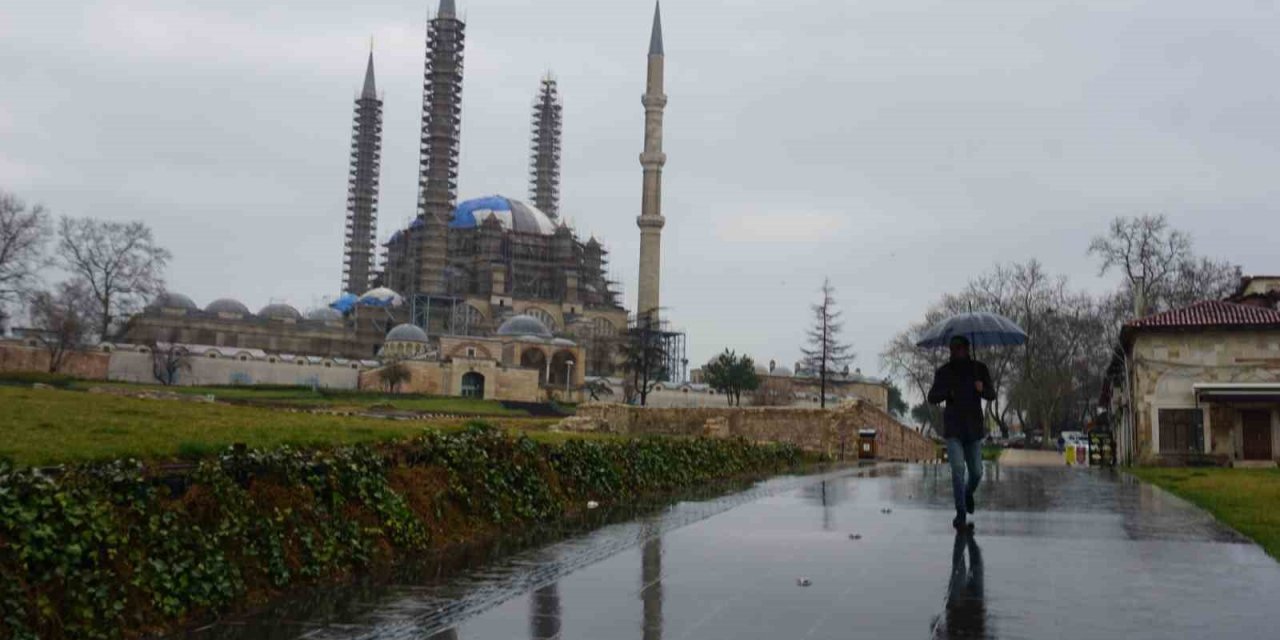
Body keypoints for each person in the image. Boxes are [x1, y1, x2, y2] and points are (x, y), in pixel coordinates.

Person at [928, 336, 996, 529]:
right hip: (954, 429)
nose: (955, 351)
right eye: (952, 348)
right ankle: (960, 514)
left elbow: (992, 394)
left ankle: (967, 494)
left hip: (973, 429)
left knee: (976, 473)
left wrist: (982, 389)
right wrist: (947, 393)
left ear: (967, 349)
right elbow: (932, 397)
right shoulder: (944, 372)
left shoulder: (979, 369)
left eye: (959, 348)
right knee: (958, 470)